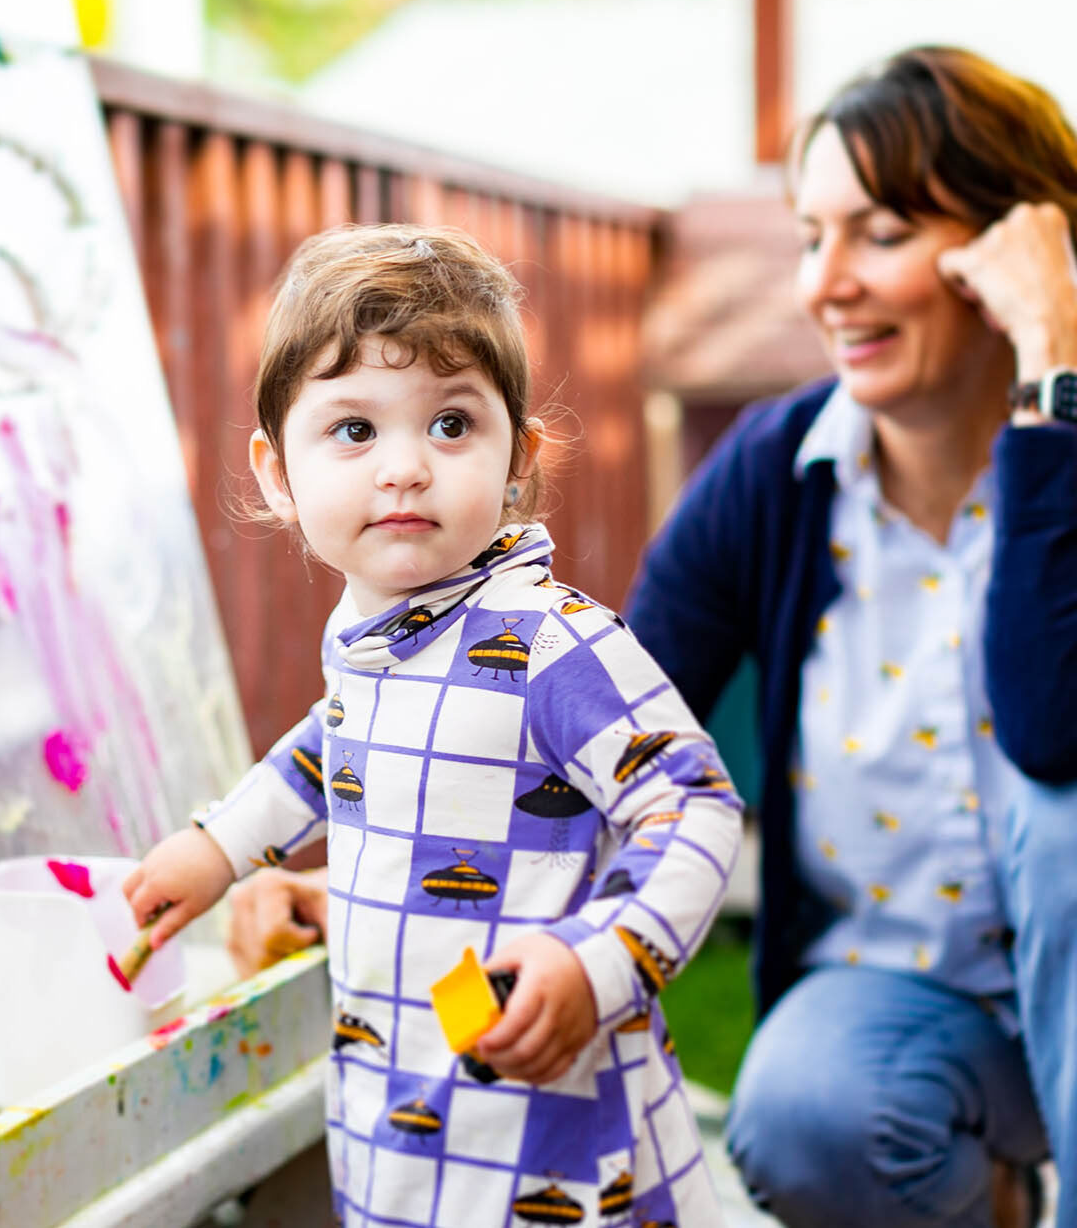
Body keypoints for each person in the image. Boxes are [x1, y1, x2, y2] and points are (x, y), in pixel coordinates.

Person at [625, 46, 1077, 1228]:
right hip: (913, 1007)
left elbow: (1059, 726)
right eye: (810, 236)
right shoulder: (772, 467)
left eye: (880, 233)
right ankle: (989, 1198)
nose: (825, 283)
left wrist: (1058, 366)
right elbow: (613, 735)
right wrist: (368, 867)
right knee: (803, 1114)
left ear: (1010, 250)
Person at [124, 224, 744, 1228]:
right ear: (277, 470)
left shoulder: (550, 643)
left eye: (450, 425)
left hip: (554, 1134)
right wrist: (217, 848)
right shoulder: (372, 638)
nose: (405, 467)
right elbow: (327, 750)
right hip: (401, 1118)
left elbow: (696, 805)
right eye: (354, 430)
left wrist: (600, 961)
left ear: (517, 461)